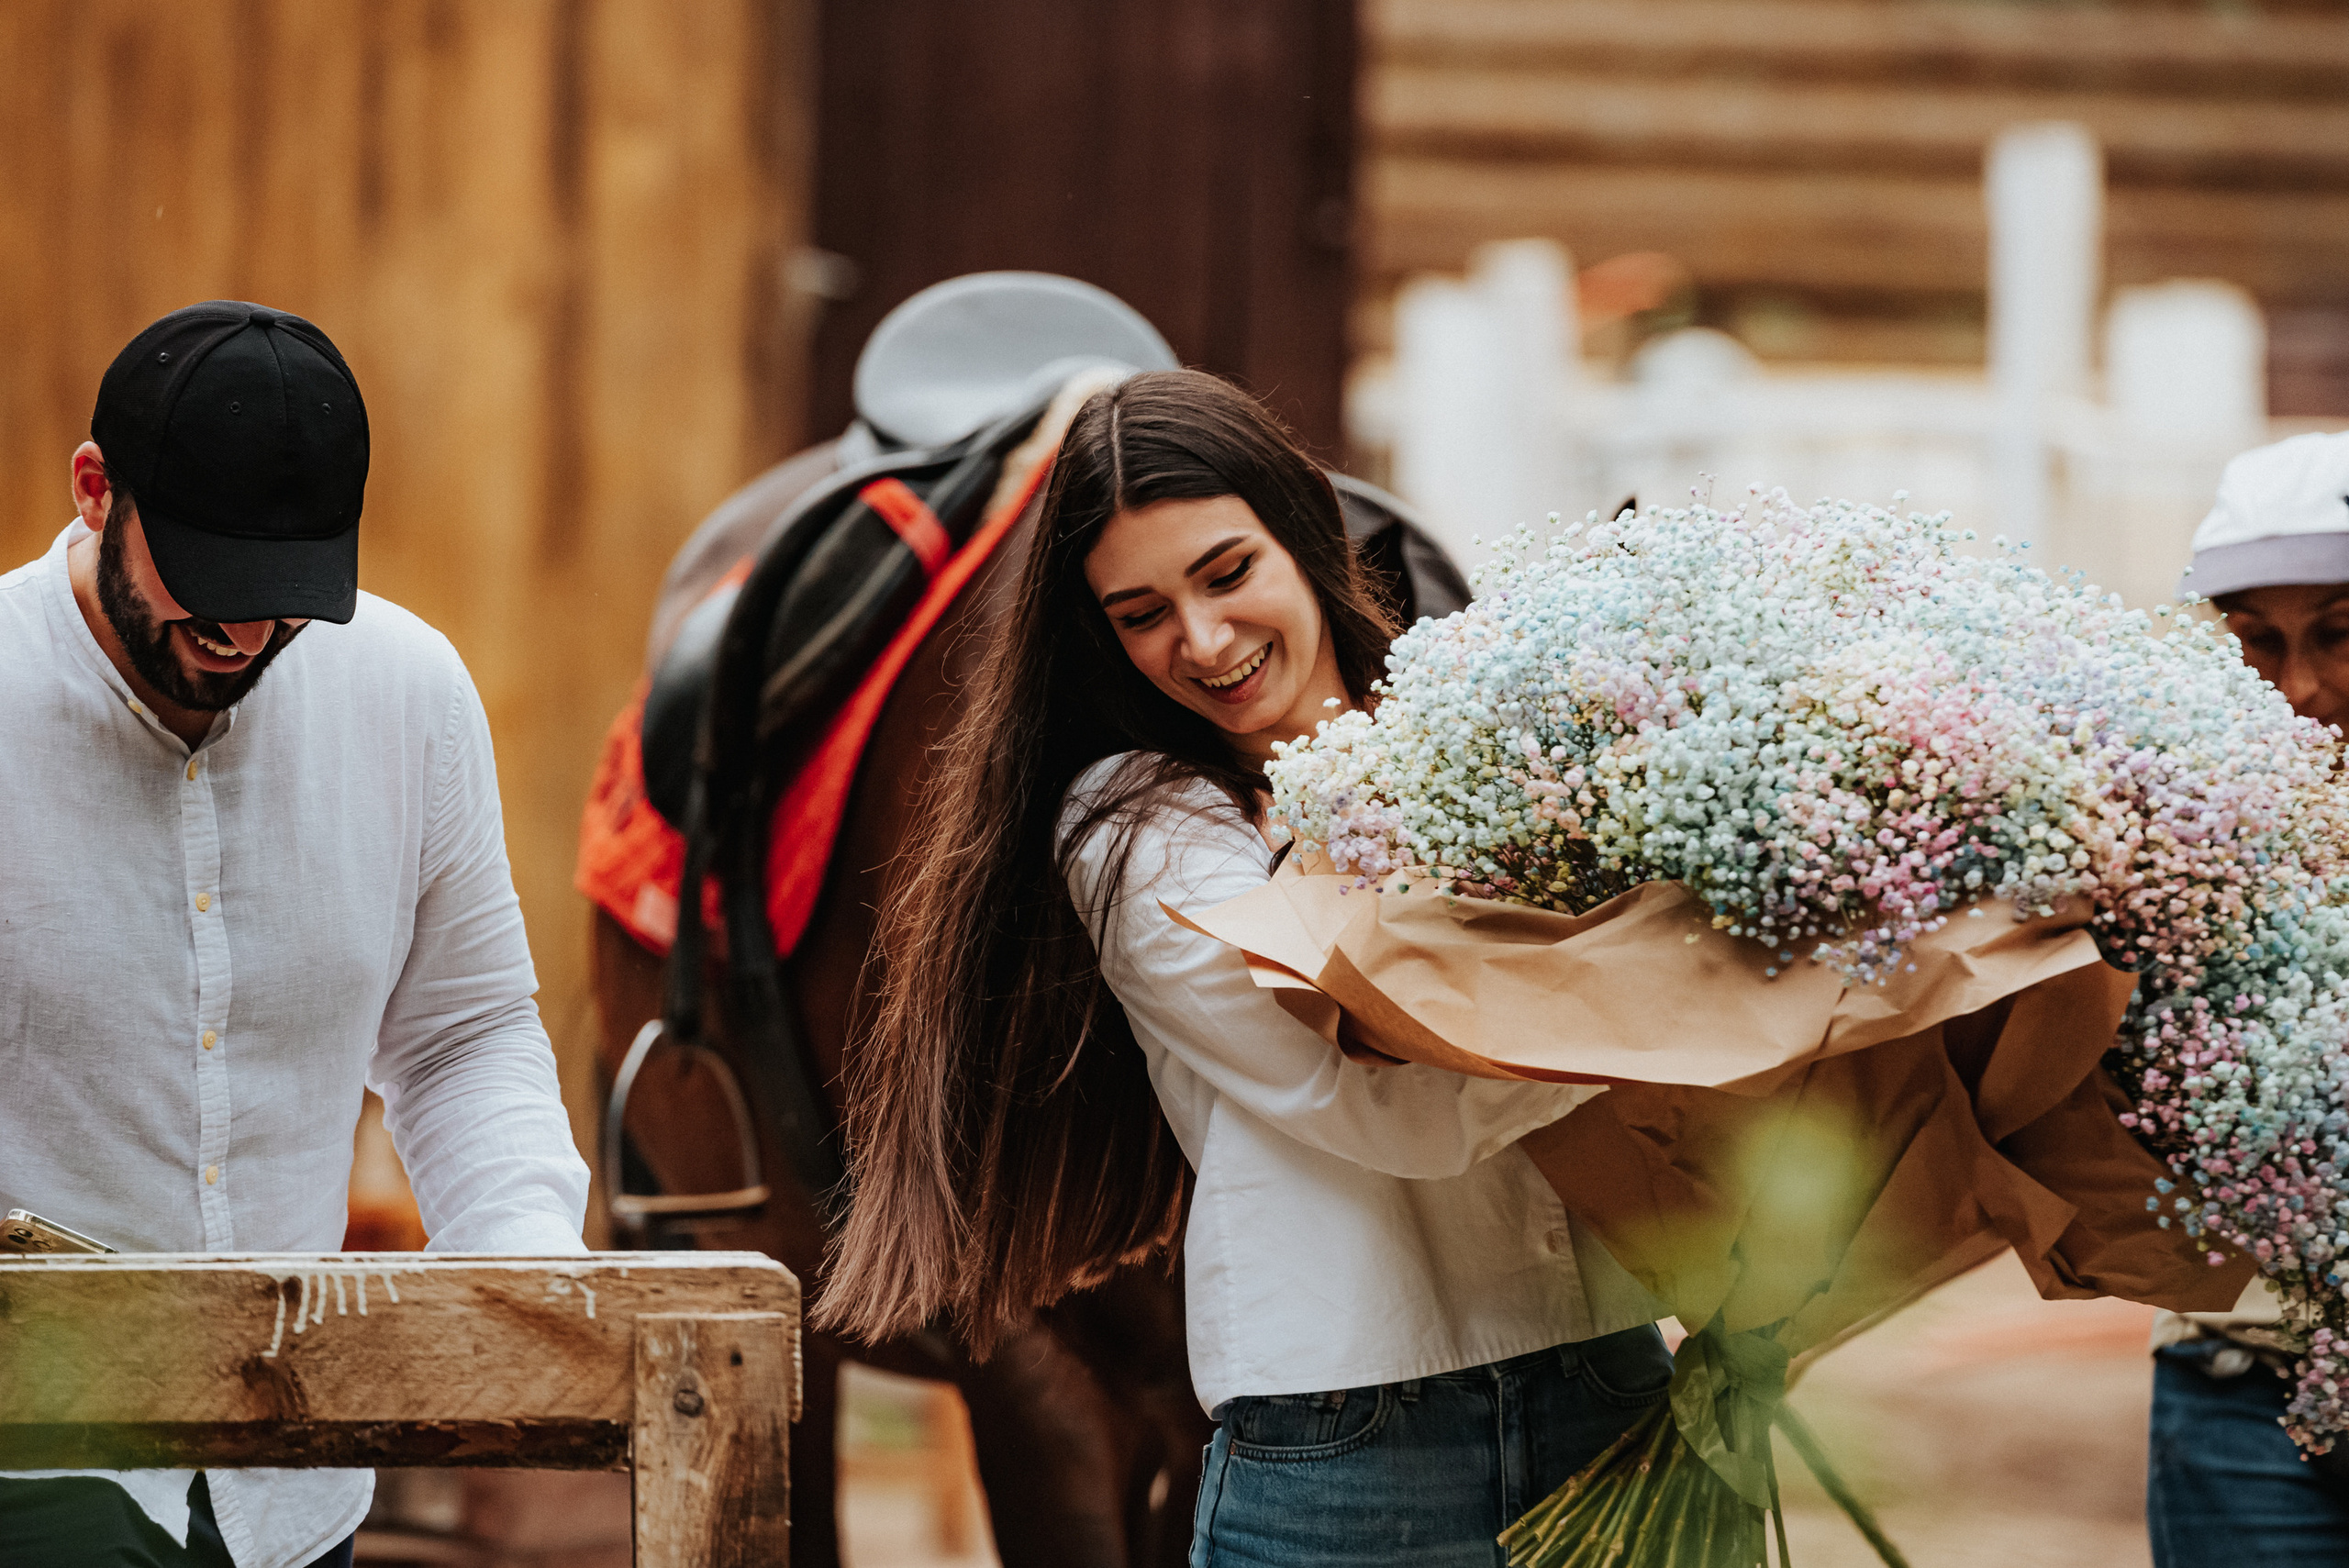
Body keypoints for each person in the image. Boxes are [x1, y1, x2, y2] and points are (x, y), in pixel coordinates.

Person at [822, 369, 1666, 1566]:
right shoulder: (1136, 830)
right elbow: (1380, 1109)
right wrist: (1642, 1015)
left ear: (1304, 532)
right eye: (1142, 613)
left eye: (1227, 573)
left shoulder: (1487, 736)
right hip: (1352, 1456)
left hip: (1615, 1390)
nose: (1204, 640)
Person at [0, 302, 591, 1568]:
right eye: (207, 580)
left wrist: (531, 1273)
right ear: (96, 491)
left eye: (283, 598)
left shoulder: (412, 698)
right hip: (31, 1464)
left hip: (295, 1484)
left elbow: (463, 1035)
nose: (245, 635)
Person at [2150, 428, 2349, 1563]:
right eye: (2256, 640)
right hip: (2239, 1388)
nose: (2301, 686)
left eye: (2339, 632)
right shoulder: (2171, 843)